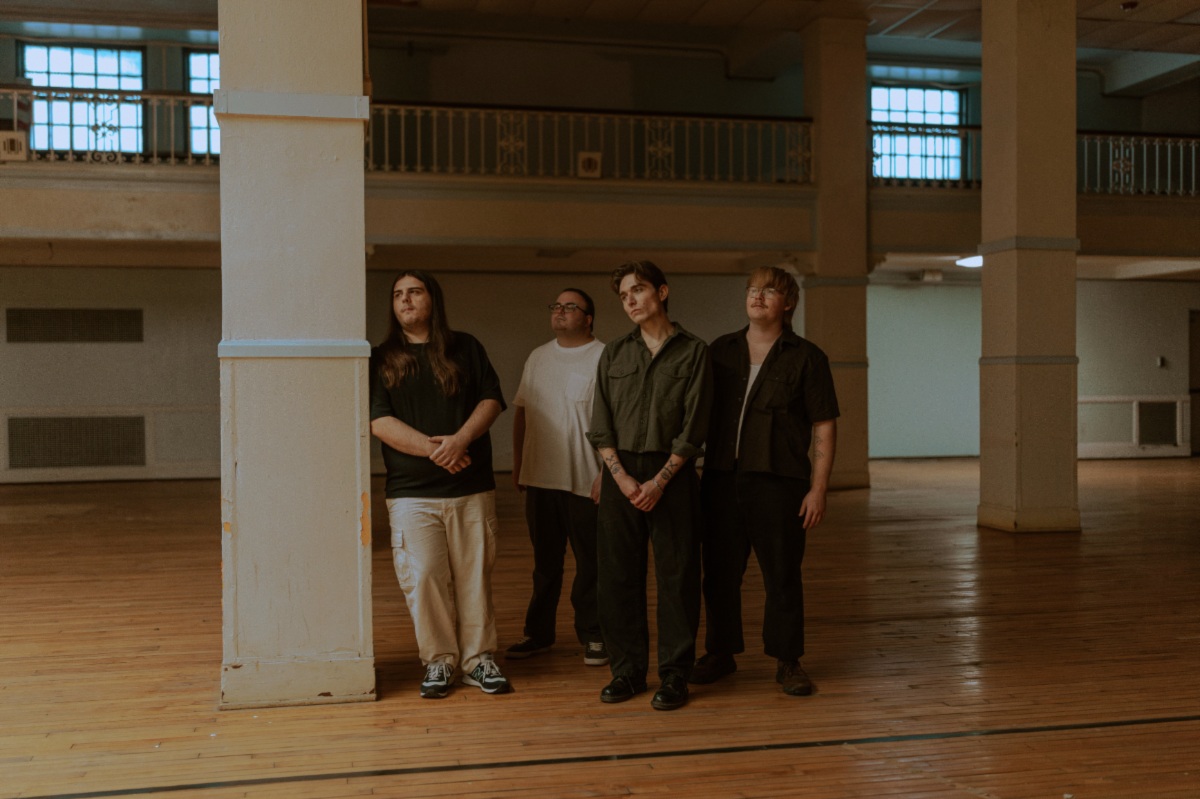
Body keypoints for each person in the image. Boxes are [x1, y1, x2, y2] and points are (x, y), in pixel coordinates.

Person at [690, 266, 839, 696]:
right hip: (720, 480)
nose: (757, 296)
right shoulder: (720, 351)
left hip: (779, 483)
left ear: (787, 303)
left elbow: (824, 424)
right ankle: (720, 653)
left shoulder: (807, 357)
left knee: (782, 575)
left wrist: (818, 488)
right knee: (719, 575)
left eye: (769, 290)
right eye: (753, 290)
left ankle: (788, 660)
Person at [369, 269, 513, 699]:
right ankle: (439, 660)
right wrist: (439, 450)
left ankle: (479, 660)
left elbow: (492, 400)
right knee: (425, 577)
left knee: (474, 578)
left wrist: (461, 439)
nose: (405, 300)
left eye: (415, 292)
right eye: (398, 294)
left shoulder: (465, 347)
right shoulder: (381, 358)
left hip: (471, 487)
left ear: (433, 300)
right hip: (411, 492)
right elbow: (379, 421)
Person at [587, 260, 712, 711]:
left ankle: (675, 674)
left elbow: (695, 425)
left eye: (637, 290)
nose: (631, 301)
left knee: (677, 577)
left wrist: (660, 481)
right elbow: (600, 422)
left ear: (662, 291)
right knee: (617, 576)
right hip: (620, 474)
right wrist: (619, 476)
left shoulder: (694, 352)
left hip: (672, 474)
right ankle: (627, 671)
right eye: (623, 296)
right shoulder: (614, 353)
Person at [507, 288, 608, 667]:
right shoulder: (538, 357)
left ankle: (594, 634)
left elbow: (615, 421)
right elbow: (521, 412)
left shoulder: (604, 356)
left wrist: (607, 473)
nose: (560, 311)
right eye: (556, 306)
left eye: (570, 307)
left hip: (587, 481)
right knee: (544, 566)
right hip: (540, 480)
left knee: (591, 566)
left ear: (588, 318)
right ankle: (538, 634)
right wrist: (519, 462)